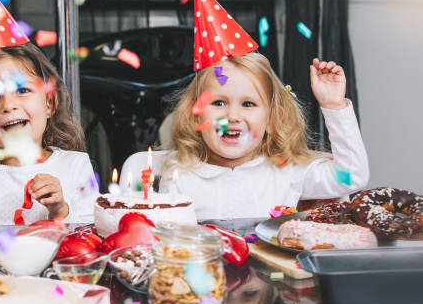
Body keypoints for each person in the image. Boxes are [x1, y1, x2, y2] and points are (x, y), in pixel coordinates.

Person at [122, 53, 369, 219]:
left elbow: (352, 178)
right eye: (219, 102)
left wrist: (334, 105)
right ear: (196, 116)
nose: (233, 115)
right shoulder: (180, 175)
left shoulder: (288, 171)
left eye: (248, 104)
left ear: (273, 119)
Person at [0, 43, 99, 225]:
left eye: (22, 90)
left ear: (49, 104)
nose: (8, 105)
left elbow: (92, 236)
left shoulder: (75, 166)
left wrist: (60, 211)